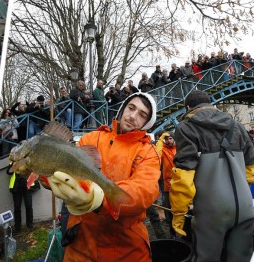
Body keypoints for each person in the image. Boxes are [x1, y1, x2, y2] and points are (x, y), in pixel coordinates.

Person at [48, 92, 160, 261]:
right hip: (81, 245)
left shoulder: (147, 151)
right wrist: (46, 177)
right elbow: (65, 170)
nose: (133, 116)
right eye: (131, 108)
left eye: (142, 115)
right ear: (123, 109)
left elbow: (145, 190)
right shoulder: (92, 138)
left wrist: (100, 199)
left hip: (127, 249)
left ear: (146, 123)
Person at [170, 90, 254, 261]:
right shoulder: (236, 125)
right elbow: (251, 166)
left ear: (188, 107)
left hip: (212, 211)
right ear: (211, 104)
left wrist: (178, 213)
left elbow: (183, 177)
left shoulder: (186, 127)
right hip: (245, 206)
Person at [155, 130, 176, 238]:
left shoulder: (179, 149)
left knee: (182, 208)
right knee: (168, 209)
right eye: (166, 139)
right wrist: (160, 139)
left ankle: (183, 229)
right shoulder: (163, 150)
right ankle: (172, 232)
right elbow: (157, 153)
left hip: (180, 185)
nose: (168, 140)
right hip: (167, 185)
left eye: (170, 138)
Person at [6, 163, 34, 233]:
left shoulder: (27, 161)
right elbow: (8, 172)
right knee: (17, 208)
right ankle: (17, 227)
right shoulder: (13, 162)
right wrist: (14, 165)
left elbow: (33, 170)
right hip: (16, 187)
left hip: (27, 186)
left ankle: (30, 226)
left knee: (29, 206)